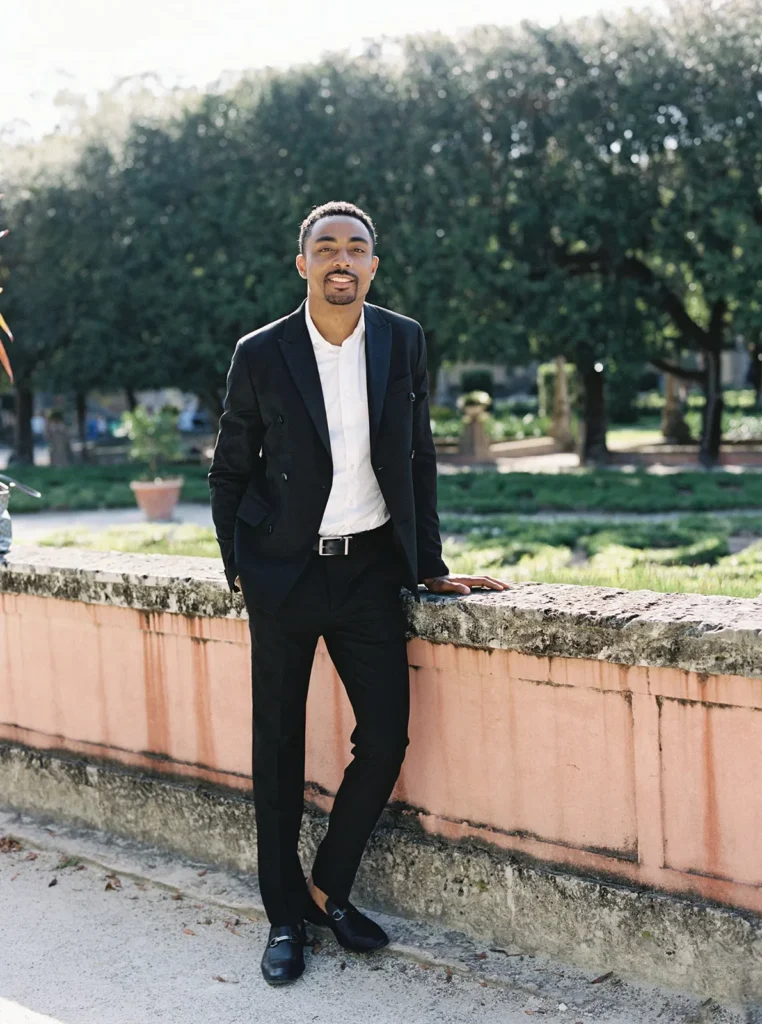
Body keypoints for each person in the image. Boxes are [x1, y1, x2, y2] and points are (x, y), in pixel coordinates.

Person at [208, 200, 507, 986]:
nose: (342, 258)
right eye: (326, 247)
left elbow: (417, 459)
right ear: (301, 262)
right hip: (282, 572)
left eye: (357, 248)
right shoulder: (262, 351)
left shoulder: (401, 339)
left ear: (374, 264)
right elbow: (231, 464)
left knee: (385, 738)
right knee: (276, 752)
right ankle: (283, 918)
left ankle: (325, 888)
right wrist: (237, 566)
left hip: (370, 570)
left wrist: (429, 561)